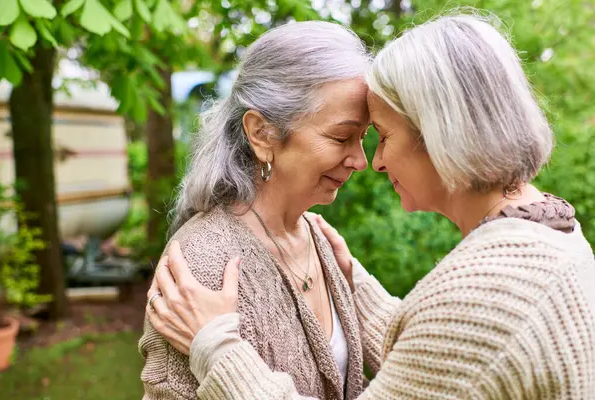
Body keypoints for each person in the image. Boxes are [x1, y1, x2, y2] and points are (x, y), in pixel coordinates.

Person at [146, 13, 595, 399]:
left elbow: (459, 341)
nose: (369, 161)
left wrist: (217, 348)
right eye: (344, 137)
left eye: (378, 135)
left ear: (442, 135)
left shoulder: (487, 291)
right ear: (262, 134)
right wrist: (358, 293)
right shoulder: (556, 229)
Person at [139, 21, 374, 399]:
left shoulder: (319, 237)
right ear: (262, 133)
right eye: (341, 137)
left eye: (363, 138)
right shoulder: (201, 265)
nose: (360, 160)